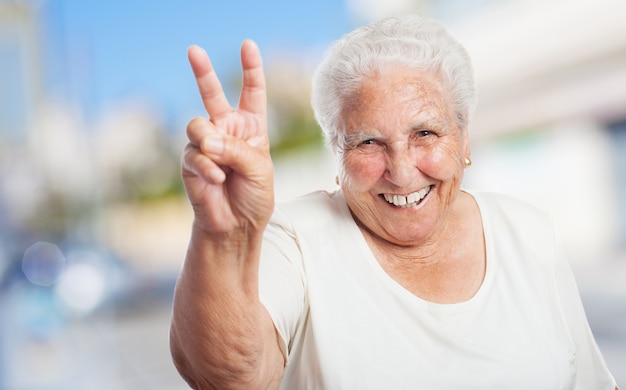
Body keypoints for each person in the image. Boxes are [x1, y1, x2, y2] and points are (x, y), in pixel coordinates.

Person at [169, 15, 618, 389]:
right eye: (368, 142)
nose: (401, 172)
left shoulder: (529, 230)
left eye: (425, 133)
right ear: (337, 154)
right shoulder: (297, 237)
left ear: (464, 136)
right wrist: (224, 235)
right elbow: (228, 376)